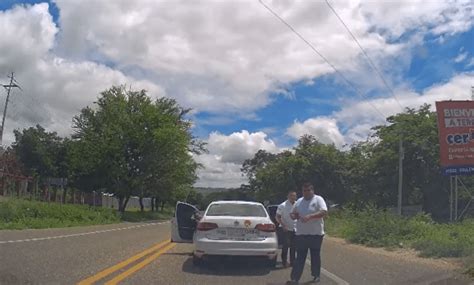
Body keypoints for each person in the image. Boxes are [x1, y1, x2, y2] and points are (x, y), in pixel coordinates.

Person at [288, 182, 327, 284]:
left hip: (316, 234)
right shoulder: (299, 201)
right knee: (300, 257)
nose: (306, 192)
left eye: (308, 190)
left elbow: (323, 212)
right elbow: (292, 213)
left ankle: (316, 275)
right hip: (301, 234)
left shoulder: (318, 199)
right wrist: (294, 216)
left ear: (312, 190)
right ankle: (294, 278)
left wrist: (310, 216)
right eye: (304, 191)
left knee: (315, 256)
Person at [276, 191, 297, 267]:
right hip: (285, 229)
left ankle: (293, 262)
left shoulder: (297, 204)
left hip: (295, 228)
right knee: (286, 245)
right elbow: (277, 217)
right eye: (291, 196)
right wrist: (283, 225)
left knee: (294, 246)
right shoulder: (282, 205)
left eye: (294, 196)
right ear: (288, 196)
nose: (293, 197)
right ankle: (284, 261)